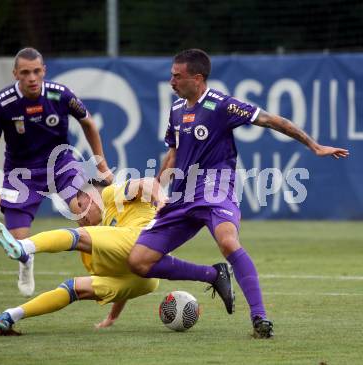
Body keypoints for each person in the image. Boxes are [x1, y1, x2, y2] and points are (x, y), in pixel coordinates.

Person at [127, 49, 349, 338]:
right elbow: (173, 153)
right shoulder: (176, 110)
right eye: (171, 76)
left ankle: (260, 319)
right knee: (139, 262)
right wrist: (158, 188)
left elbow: (271, 120)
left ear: (197, 78)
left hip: (214, 188)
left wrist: (314, 146)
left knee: (228, 241)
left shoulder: (222, 105)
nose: (171, 81)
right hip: (182, 195)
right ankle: (212, 274)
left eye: (176, 76)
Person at [0, 47, 113, 297]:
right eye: (25, 72)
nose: (31, 77)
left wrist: (101, 164)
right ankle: (25, 262)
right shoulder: (3, 103)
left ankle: (102, 268)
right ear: (15, 74)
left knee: (88, 212)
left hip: (62, 163)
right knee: (19, 244)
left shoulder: (60, 95)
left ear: (44, 71)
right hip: (20, 173)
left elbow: (89, 124)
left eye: (36, 71)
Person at [0, 178, 164, 334]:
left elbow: (147, 184)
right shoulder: (111, 225)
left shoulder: (110, 193)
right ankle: (11, 316)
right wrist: (112, 317)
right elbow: (123, 270)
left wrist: (161, 201)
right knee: (74, 288)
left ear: (91, 196)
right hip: (146, 279)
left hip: (144, 242)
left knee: (78, 235)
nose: (81, 215)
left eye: (81, 206)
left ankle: (23, 247)